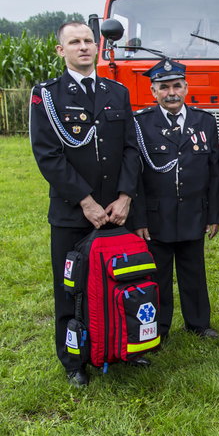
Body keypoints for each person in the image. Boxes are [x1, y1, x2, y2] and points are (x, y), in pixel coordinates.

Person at [29, 21, 141, 386]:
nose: (83, 47)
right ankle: (74, 361)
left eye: (88, 41)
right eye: (74, 42)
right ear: (61, 51)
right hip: (72, 213)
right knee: (70, 288)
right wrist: (86, 202)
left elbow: (130, 148)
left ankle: (121, 346)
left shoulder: (117, 92)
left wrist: (124, 197)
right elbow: (48, 156)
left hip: (115, 211)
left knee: (119, 282)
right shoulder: (46, 95)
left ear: (98, 47)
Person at [131, 59, 219, 339]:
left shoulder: (204, 120)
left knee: (193, 271)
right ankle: (159, 327)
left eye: (176, 86)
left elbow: (214, 171)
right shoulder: (141, 123)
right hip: (157, 215)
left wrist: (214, 214)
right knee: (158, 275)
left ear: (186, 88)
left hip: (194, 211)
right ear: (153, 91)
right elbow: (135, 176)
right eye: (164, 87)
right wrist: (140, 217)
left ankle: (199, 323)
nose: (171, 92)